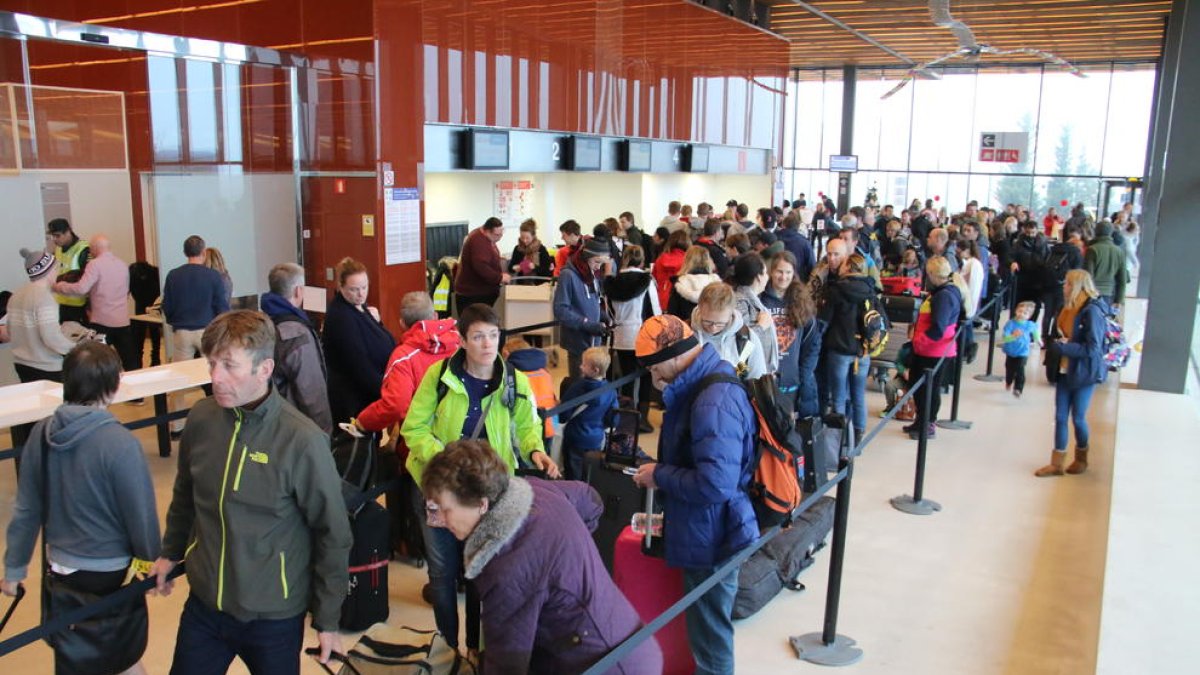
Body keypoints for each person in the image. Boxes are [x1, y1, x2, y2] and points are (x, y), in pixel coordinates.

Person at [151, 310, 353, 672]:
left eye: (229, 365)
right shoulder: (201, 419)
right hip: (205, 605)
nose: (215, 377)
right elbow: (185, 496)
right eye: (211, 363)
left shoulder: (302, 440)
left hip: (273, 617)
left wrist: (328, 618)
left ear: (264, 369)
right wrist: (170, 552)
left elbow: (332, 532)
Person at [421, 440, 662, 674]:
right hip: (630, 640)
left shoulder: (506, 566)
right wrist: (565, 562)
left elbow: (506, 665)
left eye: (447, 510)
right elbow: (590, 499)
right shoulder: (535, 489)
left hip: (606, 664)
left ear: (481, 504)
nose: (440, 520)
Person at [401, 303, 559, 656]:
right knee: (442, 574)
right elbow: (414, 428)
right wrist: (446, 458)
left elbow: (527, 425)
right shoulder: (439, 375)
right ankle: (446, 646)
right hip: (439, 490)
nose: (487, 344)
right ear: (462, 341)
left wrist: (535, 450)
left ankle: (474, 648)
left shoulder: (513, 379)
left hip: (486, 492)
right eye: (478, 336)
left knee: (479, 571)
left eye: (493, 335)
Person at [3, 341, 160, 675]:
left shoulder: (41, 434)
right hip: (110, 572)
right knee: (121, 656)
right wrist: (151, 561)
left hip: (59, 567)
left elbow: (27, 508)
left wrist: (14, 568)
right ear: (114, 385)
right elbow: (140, 515)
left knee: (77, 654)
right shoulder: (120, 444)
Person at [631, 315, 757, 675]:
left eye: (654, 368)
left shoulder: (711, 400)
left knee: (710, 640)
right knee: (706, 631)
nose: (654, 378)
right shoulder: (701, 386)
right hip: (706, 527)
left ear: (672, 356)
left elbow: (716, 483)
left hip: (712, 533)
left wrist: (661, 475)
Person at [8, 247, 82, 461]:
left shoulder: (17, 295)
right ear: (49, 269)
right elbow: (50, 338)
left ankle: (31, 462)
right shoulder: (44, 298)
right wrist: (75, 348)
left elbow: (12, 332)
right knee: (54, 421)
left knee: (33, 419)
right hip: (47, 367)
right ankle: (54, 464)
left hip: (22, 363)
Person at [1035, 270, 1109, 478]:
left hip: (1083, 372)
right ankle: (1056, 463)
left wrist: (1065, 348)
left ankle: (1081, 457)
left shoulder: (1091, 311)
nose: (1063, 286)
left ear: (1077, 286)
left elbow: (1093, 349)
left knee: (1078, 418)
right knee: (1060, 417)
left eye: (1067, 283)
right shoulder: (1067, 307)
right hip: (1064, 370)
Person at [356, 292, 460, 434]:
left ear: (402, 324)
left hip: (420, 441)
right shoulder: (461, 343)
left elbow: (395, 405)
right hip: (462, 435)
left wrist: (363, 421)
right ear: (435, 316)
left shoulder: (403, 357)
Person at [162, 235, 230, 436]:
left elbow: (167, 306)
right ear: (203, 251)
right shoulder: (213, 277)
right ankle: (219, 418)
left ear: (185, 252)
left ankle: (176, 426)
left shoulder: (173, 275)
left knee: (179, 381)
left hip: (182, 332)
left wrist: (176, 321)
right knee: (214, 377)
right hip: (207, 331)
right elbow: (221, 307)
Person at [322, 257, 396, 424]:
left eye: (364, 287)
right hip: (354, 401)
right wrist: (387, 393)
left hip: (370, 393)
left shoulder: (360, 307)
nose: (361, 293)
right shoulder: (341, 318)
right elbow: (359, 364)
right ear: (340, 287)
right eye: (354, 289)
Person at [260, 262, 332, 434]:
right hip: (296, 426)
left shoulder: (263, 322)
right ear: (298, 291)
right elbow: (311, 390)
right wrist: (323, 433)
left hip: (270, 419)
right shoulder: (297, 334)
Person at [52, 233, 136, 372]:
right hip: (123, 322)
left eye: (91, 249)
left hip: (102, 323)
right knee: (130, 363)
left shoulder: (94, 264)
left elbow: (81, 288)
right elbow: (126, 292)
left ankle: (104, 389)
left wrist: (60, 286)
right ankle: (136, 392)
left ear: (95, 248)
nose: (90, 252)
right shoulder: (122, 264)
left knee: (97, 362)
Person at [904, 257, 964, 440]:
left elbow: (939, 327)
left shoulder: (944, 296)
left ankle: (928, 424)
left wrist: (919, 342)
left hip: (933, 351)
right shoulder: (944, 291)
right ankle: (920, 421)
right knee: (920, 387)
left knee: (929, 389)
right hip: (930, 349)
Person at [818, 254, 877, 435]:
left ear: (848, 268)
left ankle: (840, 437)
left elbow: (824, 320)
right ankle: (858, 434)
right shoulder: (870, 289)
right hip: (863, 351)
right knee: (858, 395)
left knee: (838, 397)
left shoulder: (836, 290)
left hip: (839, 349)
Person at [604, 244, 661, 432]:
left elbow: (608, 311)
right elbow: (655, 310)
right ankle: (642, 419)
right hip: (643, 334)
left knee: (626, 378)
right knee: (645, 377)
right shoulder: (647, 280)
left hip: (620, 335)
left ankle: (627, 419)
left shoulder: (612, 282)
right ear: (642, 259)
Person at [554, 236, 612, 378]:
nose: (599, 266)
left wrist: (603, 316)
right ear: (586, 257)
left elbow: (593, 300)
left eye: (601, 263)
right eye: (597, 262)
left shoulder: (591, 273)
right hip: (577, 341)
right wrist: (586, 324)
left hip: (593, 340)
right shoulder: (568, 275)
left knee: (591, 383)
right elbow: (560, 310)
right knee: (579, 385)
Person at [559, 346, 618, 480]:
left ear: (595, 370)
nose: (580, 366)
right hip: (596, 439)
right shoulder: (610, 390)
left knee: (573, 474)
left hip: (575, 437)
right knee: (590, 474)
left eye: (584, 364)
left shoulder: (577, 387)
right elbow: (613, 419)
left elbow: (564, 414)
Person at [691, 282, 768, 380]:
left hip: (735, 392)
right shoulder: (687, 334)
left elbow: (757, 379)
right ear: (700, 308)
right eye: (707, 321)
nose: (713, 328)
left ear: (731, 313)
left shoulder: (746, 339)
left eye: (720, 323)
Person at [730, 252, 779, 373]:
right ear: (758, 277)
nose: (768, 277)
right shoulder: (740, 302)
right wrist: (761, 326)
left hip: (757, 371)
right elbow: (741, 344)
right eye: (766, 273)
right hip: (749, 376)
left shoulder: (752, 300)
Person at [455, 217, 510, 308]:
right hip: (474, 294)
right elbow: (481, 266)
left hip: (480, 292)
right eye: (497, 235)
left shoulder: (484, 236)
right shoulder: (478, 241)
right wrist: (500, 278)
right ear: (487, 231)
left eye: (501, 233)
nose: (500, 237)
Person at [46, 218, 90, 324]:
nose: (54, 240)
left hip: (79, 306)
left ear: (68, 231)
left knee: (80, 339)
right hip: (61, 303)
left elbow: (87, 278)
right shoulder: (58, 249)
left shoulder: (83, 249)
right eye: (52, 236)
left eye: (57, 236)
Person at [666, 245, 722, 321]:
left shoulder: (680, 283)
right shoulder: (716, 283)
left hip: (685, 328)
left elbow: (672, 313)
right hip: (710, 327)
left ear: (686, 260)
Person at [1083, 222, 1128, 308]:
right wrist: (1119, 300)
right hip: (1110, 293)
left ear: (1096, 231)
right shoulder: (1119, 251)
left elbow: (1088, 275)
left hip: (1092, 293)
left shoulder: (1092, 249)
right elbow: (1122, 279)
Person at [1001, 301, 1040, 398]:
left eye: (1025, 313)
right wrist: (1013, 336)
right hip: (1011, 351)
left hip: (1023, 352)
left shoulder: (1029, 324)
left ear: (1029, 316)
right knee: (1009, 369)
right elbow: (1005, 338)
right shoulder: (1010, 324)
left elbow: (1035, 331)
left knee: (1020, 369)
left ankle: (1018, 388)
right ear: (1016, 311)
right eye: (1020, 311)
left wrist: (1038, 340)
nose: (1021, 314)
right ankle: (1008, 381)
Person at [129, 261, 162, 368]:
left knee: (146, 334)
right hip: (147, 305)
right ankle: (150, 359)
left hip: (149, 305)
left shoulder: (153, 273)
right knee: (147, 334)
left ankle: (148, 360)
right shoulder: (153, 273)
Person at [652, 229, 690, 309]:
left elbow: (654, 279)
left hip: (660, 300)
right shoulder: (688, 260)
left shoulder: (660, 259)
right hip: (681, 302)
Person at [775, 212, 816, 281]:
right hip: (798, 281)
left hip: (777, 279)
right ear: (798, 226)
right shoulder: (804, 242)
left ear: (783, 225)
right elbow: (812, 265)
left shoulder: (774, 237)